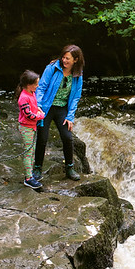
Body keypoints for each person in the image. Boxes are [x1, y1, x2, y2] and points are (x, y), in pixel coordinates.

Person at [33, 44, 85, 182]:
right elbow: (41, 87)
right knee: (42, 138)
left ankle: (69, 168)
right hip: (46, 107)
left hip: (62, 108)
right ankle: (37, 168)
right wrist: (38, 106)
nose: (64, 61)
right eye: (63, 57)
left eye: (68, 59)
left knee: (68, 137)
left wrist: (70, 117)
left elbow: (75, 97)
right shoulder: (52, 68)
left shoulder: (78, 74)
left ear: (76, 60)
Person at [17, 69, 45, 190]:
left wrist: (38, 109)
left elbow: (33, 108)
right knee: (28, 153)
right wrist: (40, 116)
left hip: (32, 127)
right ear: (28, 85)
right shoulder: (23, 98)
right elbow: (29, 115)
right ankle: (28, 178)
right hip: (26, 127)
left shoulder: (31, 94)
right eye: (36, 84)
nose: (37, 86)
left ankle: (30, 174)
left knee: (32, 152)